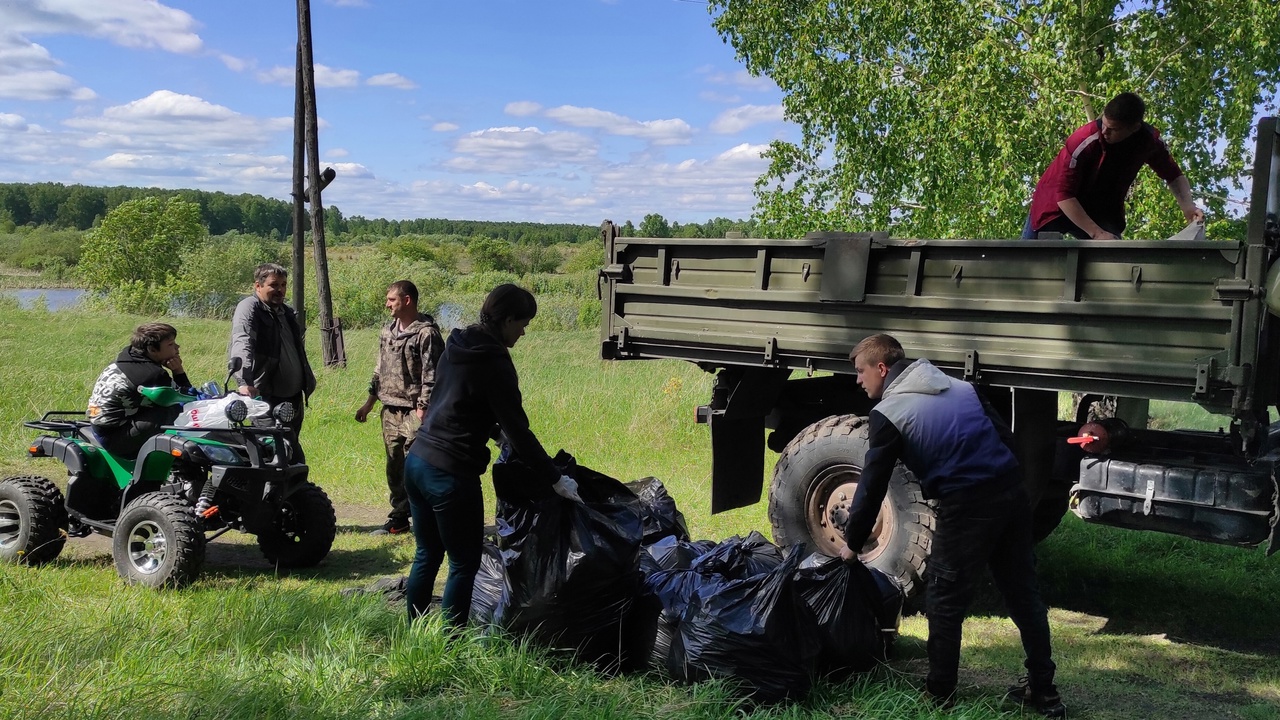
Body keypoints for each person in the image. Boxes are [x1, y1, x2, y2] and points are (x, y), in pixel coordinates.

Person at [838, 334, 1064, 717]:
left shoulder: (889, 413)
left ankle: (939, 695)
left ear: (881, 369)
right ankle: (1045, 693)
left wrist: (852, 544)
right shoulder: (960, 386)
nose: (858, 381)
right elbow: (1005, 438)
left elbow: (872, 485)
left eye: (860, 372)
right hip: (1010, 493)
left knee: (944, 601)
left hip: (967, 505)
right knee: (1023, 595)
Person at [403, 283, 581, 626]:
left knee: (426, 553)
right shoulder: (494, 361)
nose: (524, 332)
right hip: (449, 473)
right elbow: (520, 431)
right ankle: (449, 645)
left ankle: (415, 632)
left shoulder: (458, 345)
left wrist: (494, 433)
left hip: (417, 461)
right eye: (523, 324)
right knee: (464, 562)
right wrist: (555, 478)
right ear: (507, 319)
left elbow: (457, 403)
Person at [1023, 92, 1203, 240]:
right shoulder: (1084, 140)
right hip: (1057, 205)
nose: (1104, 131)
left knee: (1114, 254)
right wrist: (1096, 233)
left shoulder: (1149, 142)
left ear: (1133, 128)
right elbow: (1063, 195)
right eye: (1104, 124)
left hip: (1101, 209)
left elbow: (1173, 175)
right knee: (1026, 261)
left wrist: (1188, 207)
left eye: (1113, 129)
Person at [355, 280, 444, 536]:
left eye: (391, 300)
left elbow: (433, 374)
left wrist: (423, 410)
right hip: (389, 409)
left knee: (418, 466)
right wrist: (370, 403)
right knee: (395, 465)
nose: (387, 304)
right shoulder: (387, 331)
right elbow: (379, 369)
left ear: (407, 300)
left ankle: (428, 519)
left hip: (415, 410)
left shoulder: (426, 333)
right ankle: (399, 517)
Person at [228, 263, 316, 462]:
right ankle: (273, 493)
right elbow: (243, 342)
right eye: (274, 285)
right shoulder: (249, 307)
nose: (280, 290)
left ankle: (288, 493)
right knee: (282, 455)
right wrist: (244, 382)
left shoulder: (286, 312)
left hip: (292, 398)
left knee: (287, 452)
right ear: (258, 286)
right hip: (265, 398)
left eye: (283, 285)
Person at [87, 322, 193, 458]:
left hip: (102, 427)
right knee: (175, 410)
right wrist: (178, 371)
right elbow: (186, 398)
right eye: (171, 344)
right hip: (114, 438)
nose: (178, 347)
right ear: (152, 350)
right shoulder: (151, 375)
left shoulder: (128, 357)